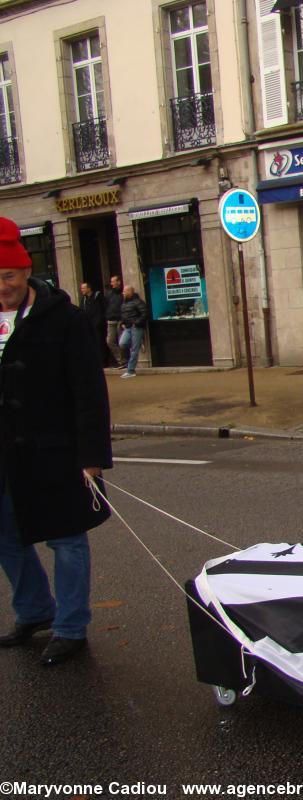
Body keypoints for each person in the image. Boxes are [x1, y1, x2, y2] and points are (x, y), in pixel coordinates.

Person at [0, 217, 112, 667]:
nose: (1, 286)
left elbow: (89, 392)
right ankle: (34, 610)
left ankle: (70, 626)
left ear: (26, 272)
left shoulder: (65, 318)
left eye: (6, 276)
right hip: (5, 455)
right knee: (6, 537)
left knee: (67, 541)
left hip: (56, 453)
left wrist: (92, 457)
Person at [119, 285, 148, 378]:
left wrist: (137, 322)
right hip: (127, 327)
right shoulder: (124, 303)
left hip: (136, 327)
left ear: (130, 292)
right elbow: (123, 314)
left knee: (135, 349)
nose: (123, 293)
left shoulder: (138, 302)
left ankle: (130, 370)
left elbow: (144, 313)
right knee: (122, 343)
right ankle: (138, 343)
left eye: (125, 291)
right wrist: (122, 323)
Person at [78, 282, 107, 364]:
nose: (82, 290)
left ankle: (103, 362)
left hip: (98, 325)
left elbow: (102, 310)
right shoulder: (83, 300)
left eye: (83, 288)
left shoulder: (98, 297)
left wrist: (98, 322)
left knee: (100, 343)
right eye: (81, 288)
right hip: (88, 326)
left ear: (89, 288)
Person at [104, 275, 124, 368]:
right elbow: (105, 305)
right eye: (111, 282)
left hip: (120, 320)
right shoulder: (108, 294)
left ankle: (124, 361)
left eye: (113, 281)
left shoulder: (123, 293)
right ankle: (120, 360)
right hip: (111, 320)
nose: (111, 283)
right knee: (109, 341)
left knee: (122, 341)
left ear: (118, 282)